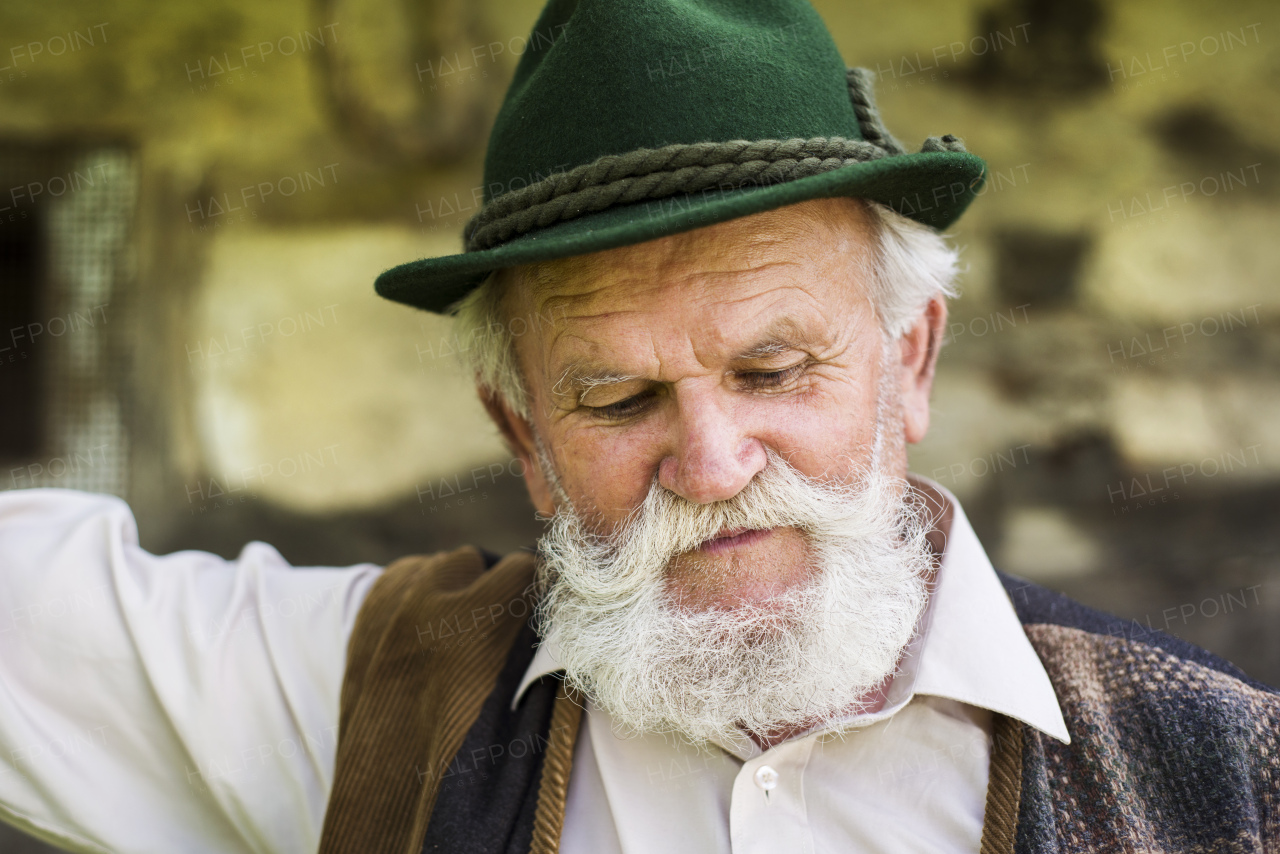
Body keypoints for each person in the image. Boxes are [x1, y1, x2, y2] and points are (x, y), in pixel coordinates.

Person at [1, 1, 1276, 852]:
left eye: (774, 370)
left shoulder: (1221, 771)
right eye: (616, 398)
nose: (714, 465)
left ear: (909, 362)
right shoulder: (395, 702)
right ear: (522, 436)